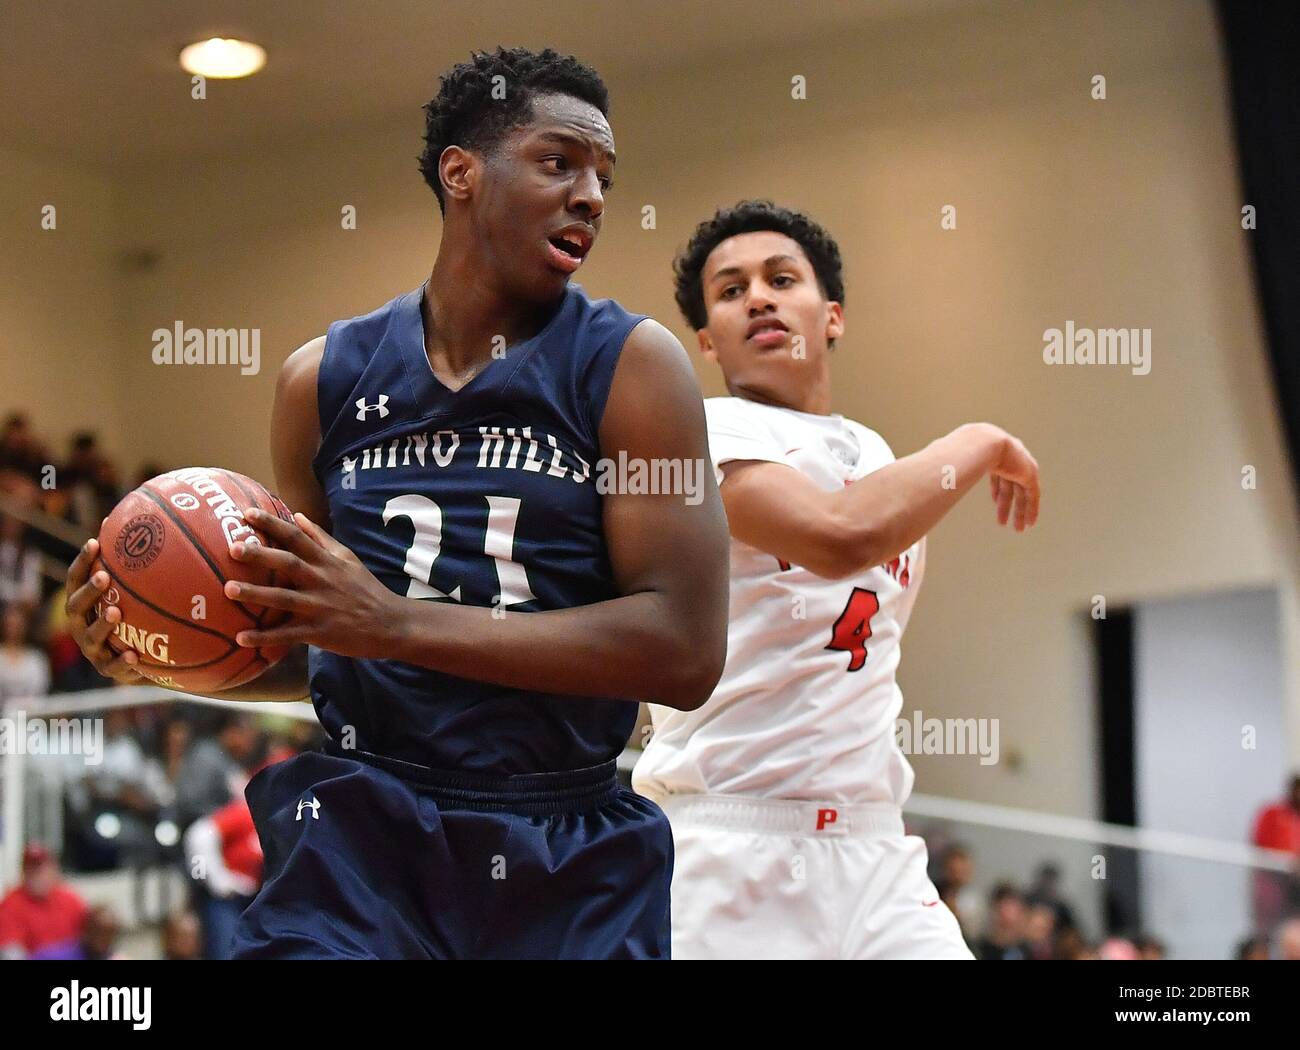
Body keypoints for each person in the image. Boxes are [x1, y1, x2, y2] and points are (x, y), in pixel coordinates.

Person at [62, 46, 729, 960]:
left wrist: (395, 623)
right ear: (461, 172)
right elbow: (315, 640)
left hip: (561, 839)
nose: (592, 196)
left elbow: (685, 649)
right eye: (559, 162)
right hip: (360, 832)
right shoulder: (321, 381)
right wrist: (165, 652)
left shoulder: (634, 370)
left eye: (604, 177)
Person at [633, 200, 1041, 959]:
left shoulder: (878, 456)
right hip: (734, 844)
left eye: (781, 278)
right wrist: (980, 438)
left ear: (833, 316)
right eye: (731, 291)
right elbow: (838, 537)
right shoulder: (700, 430)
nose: (758, 296)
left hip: (875, 847)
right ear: (706, 340)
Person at [0, 843, 88, 959]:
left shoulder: (69, 899)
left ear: (54, 869)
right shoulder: (10, 904)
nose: (37, 876)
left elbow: (88, 937)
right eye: (31, 870)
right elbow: (10, 952)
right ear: (23, 872)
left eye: (41, 870)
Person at [1250, 773, 1300, 935]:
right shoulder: (1273, 813)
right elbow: (1260, 843)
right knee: (1269, 933)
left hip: (1295, 891)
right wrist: (1288, 862)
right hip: (1274, 888)